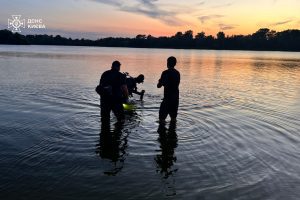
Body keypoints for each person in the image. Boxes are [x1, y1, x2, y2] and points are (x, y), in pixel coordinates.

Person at [157, 56, 180, 123]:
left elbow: (159, 86)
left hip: (167, 99)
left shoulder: (165, 73)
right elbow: (174, 84)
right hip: (175, 99)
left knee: (161, 119)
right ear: (175, 64)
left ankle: (162, 132)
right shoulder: (177, 73)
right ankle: (172, 132)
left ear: (167, 63)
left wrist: (160, 81)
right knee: (173, 119)